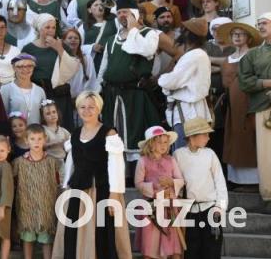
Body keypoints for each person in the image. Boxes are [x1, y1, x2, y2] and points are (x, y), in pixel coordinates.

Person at [52, 91, 131, 259]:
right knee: (73, 231)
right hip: (77, 190)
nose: (86, 110)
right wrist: (66, 186)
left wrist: (114, 195)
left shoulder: (109, 133)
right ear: (77, 109)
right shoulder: (74, 134)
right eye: (82, 107)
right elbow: (71, 162)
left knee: (102, 232)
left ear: (99, 109)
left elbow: (116, 165)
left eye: (91, 107)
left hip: (101, 190)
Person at [97, 0, 162, 155]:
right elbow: (103, 69)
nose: (121, 15)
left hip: (135, 95)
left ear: (134, 14)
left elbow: (147, 50)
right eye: (118, 13)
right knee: (113, 139)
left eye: (125, 12)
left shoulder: (149, 34)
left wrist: (133, 29)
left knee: (137, 138)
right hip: (112, 95)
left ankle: (137, 178)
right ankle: (121, 177)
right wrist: (97, 91)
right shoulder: (112, 40)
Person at [172, 117, 228, 259]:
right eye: (205, 134)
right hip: (188, 212)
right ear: (192, 137)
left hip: (210, 210)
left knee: (211, 252)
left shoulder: (210, 154)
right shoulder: (178, 155)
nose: (208, 138)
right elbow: (176, 183)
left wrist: (220, 208)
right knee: (191, 252)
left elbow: (220, 183)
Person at [217, 20, 262, 187]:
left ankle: (255, 180)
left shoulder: (253, 55)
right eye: (234, 34)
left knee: (249, 136)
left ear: (248, 38)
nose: (237, 36)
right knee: (234, 135)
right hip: (232, 103)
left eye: (241, 34)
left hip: (249, 101)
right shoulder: (228, 58)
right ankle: (237, 179)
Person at [156, 17, 211, 148]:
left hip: (188, 115)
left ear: (189, 34)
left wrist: (162, 79)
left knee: (184, 156)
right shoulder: (198, 54)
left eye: (184, 30)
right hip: (192, 112)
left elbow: (170, 82)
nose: (180, 33)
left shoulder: (194, 55)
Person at [134, 126, 185, 259]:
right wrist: (153, 188)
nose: (163, 145)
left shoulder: (171, 160)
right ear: (150, 144)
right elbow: (138, 183)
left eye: (165, 142)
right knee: (151, 241)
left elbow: (180, 180)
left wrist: (172, 182)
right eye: (159, 142)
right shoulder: (142, 161)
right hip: (151, 206)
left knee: (172, 243)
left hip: (169, 205)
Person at [12, 123, 62, 259]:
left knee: (46, 239)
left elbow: (60, 182)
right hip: (26, 207)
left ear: (45, 139)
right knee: (28, 238)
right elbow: (12, 183)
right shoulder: (18, 162)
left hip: (46, 207)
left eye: (40, 139)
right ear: (26, 141)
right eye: (33, 139)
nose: (36, 142)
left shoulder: (53, 162)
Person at [237, 12, 271, 213]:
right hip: (264, 107)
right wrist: (267, 83)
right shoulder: (252, 55)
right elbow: (245, 82)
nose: (260, 26)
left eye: (264, 23)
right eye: (258, 24)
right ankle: (268, 196)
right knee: (267, 154)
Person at [21, 14, 79, 129]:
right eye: (47, 27)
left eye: (53, 27)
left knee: (62, 127)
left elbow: (73, 66)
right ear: (39, 28)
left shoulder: (61, 45)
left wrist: (59, 48)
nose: (51, 31)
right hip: (39, 93)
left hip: (59, 94)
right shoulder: (29, 48)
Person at [0, 54, 47, 125]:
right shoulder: (5, 89)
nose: (25, 69)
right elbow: (2, 115)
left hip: (36, 133)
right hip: (15, 133)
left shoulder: (40, 91)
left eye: (29, 66)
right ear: (14, 68)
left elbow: (44, 115)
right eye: (20, 66)